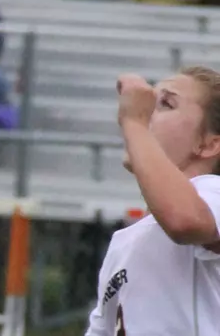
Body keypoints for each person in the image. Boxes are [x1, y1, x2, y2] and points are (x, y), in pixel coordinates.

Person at [85, 68, 220, 335]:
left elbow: (184, 221)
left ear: (208, 144)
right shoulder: (123, 244)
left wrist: (135, 123)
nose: (145, 111)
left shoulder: (214, 192)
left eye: (166, 103)